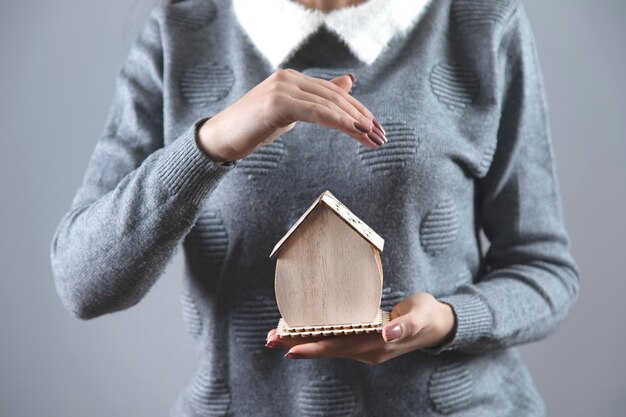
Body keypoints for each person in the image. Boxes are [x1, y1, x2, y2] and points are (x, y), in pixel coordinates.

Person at [49, 0, 580, 415]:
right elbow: (81, 282)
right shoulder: (181, 33)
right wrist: (210, 145)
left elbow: (544, 271)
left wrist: (446, 320)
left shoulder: (480, 22)